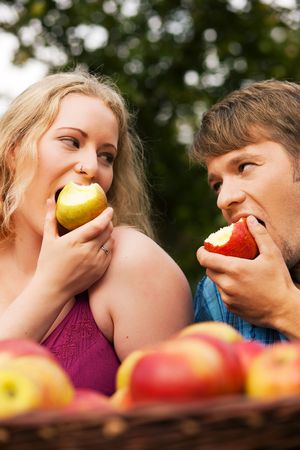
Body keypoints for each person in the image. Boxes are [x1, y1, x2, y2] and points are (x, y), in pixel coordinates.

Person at [0, 70, 193, 395]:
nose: (92, 167)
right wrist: (52, 287)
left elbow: (175, 425)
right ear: (15, 151)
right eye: (71, 142)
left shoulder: (131, 262)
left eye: (107, 156)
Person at [190, 79, 300, 344]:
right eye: (217, 185)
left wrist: (284, 308)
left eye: (244, 167)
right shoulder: (221, 293)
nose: (224, 199)